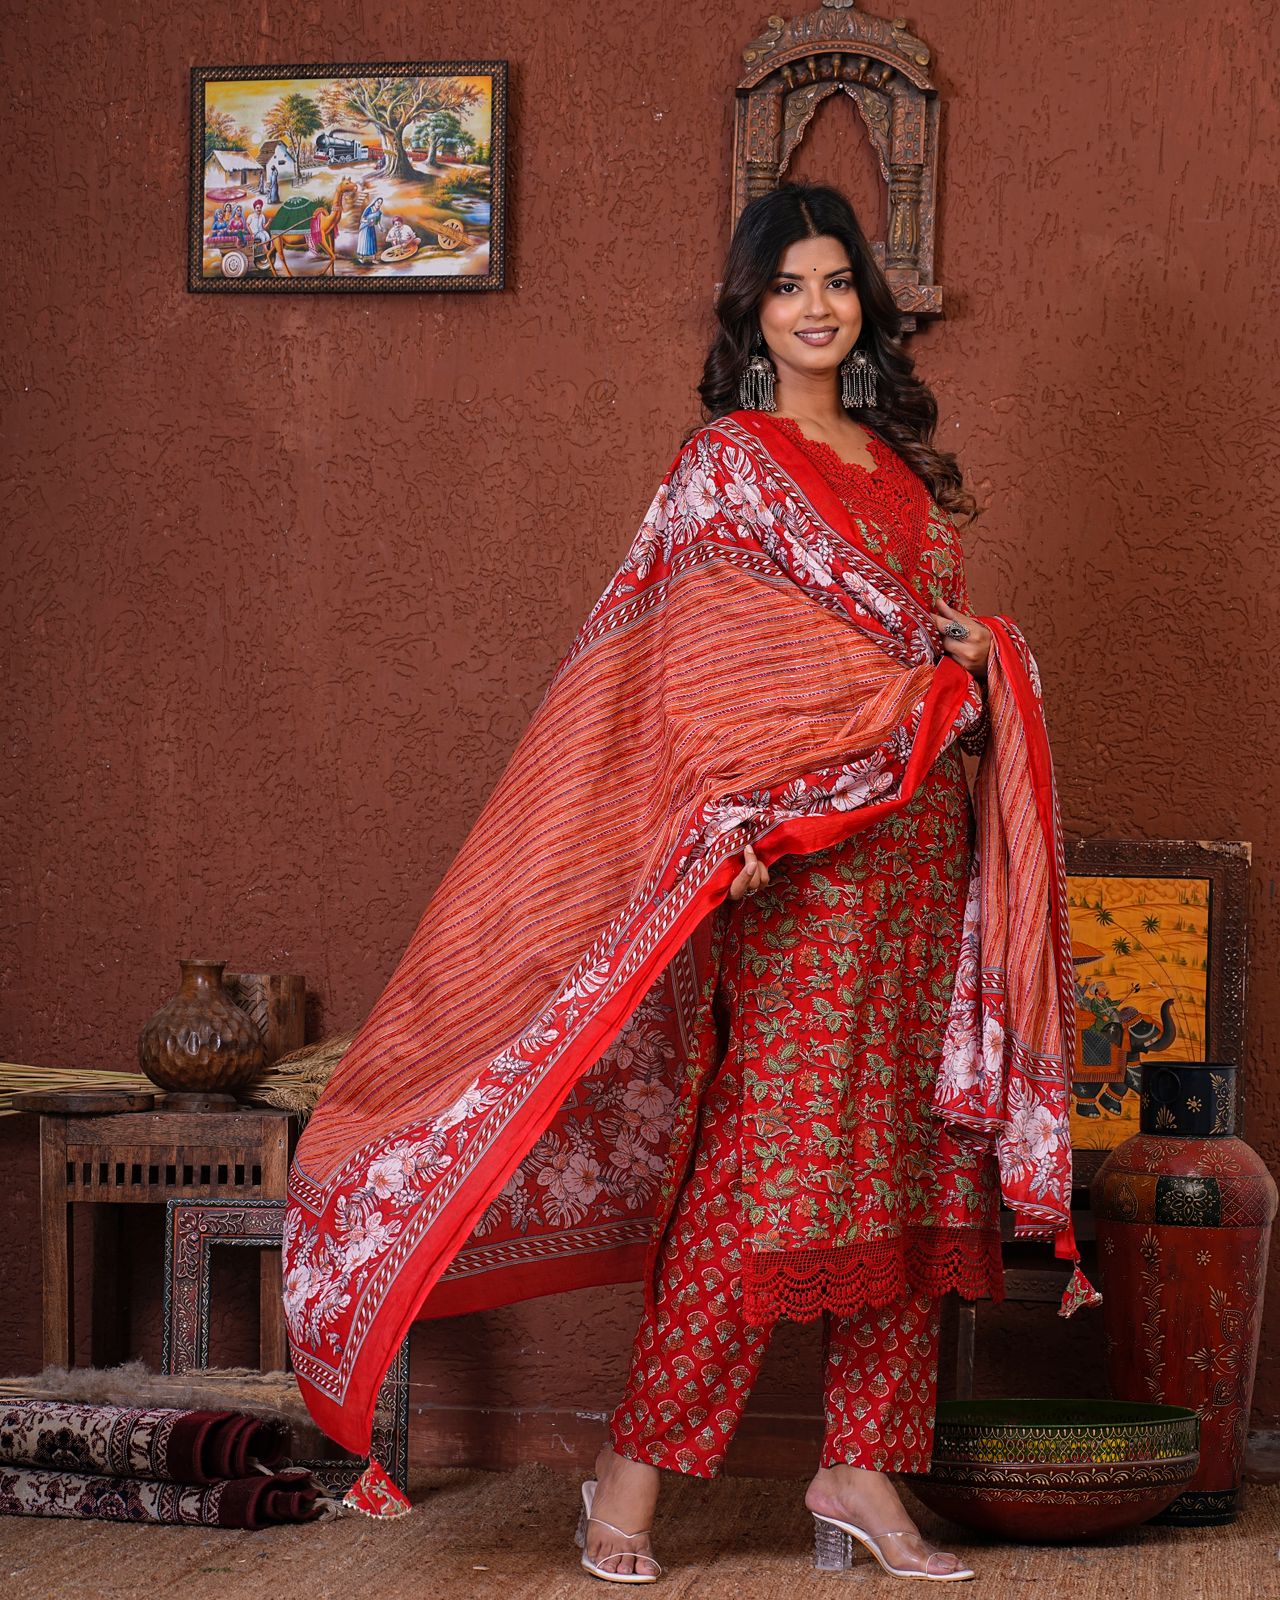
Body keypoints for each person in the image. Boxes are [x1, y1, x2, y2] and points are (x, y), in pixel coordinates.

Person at [281, 181, 1095, 1581]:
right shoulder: (726, 465)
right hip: (804, 871)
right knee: (756, 1178)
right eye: (791, 287)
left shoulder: (904, 470)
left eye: (839, 282)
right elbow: (707, 686)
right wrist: (827, 757)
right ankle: (629, 1479)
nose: (819, 308)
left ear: (868, 305)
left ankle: (862, 1468)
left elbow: (913, 644)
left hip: (923, 864)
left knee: (919, 1173)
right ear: (752, 313)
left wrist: (979, 658)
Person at [356, 195, 384, 261]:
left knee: (372, 242)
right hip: (364, 228)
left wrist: (381, 228)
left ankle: (373, 259)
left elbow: (378, 222)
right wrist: (369, 221)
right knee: (364, 242)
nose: (379, 204)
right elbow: (362, 220)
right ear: (375, 202)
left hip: (371, 228)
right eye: (378, 202)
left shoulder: (379, 212)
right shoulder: (369, 209)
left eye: (380, 203)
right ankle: (361, 258)